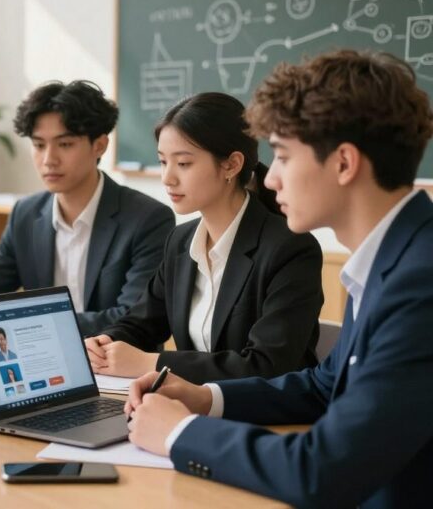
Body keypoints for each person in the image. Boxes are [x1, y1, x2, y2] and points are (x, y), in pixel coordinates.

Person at [125, 50, 433, 508]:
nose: (271, 181)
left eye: (284, 156)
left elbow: (321, 471)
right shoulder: (392, 257)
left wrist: (180, 432)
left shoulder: (419, 282)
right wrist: (204, 398)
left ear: (344, 163)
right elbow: (323, 386)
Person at [86, 93, 323, 384]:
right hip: (190, 409)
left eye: (183, 164)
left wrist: (153, 362)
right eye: (163, 162)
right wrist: (104, 343)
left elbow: (266, 365)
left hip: (268, 418)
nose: (167, 178)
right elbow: (142, 323)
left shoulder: (290, 248)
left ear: (231, 165)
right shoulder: (181, 241)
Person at [0, 80, 174, 336]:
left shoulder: (147, 219)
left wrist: (32, 324)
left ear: (100, 145)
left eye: (65, 144)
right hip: (39, 361)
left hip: (115, 364)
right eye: (39, 145)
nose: (49, 160)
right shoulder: (25, 214)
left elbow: (133, 317)